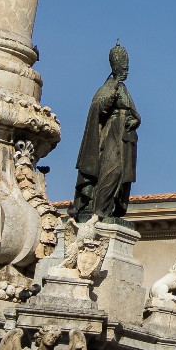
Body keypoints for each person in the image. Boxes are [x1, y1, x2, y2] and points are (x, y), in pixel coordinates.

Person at [73, 44, 139, 222]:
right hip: (111, 134)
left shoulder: (124, 90)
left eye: (127, 65)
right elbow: (99, 106)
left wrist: (135, 120)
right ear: (116, 67)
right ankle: (98, 210)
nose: (126, 69)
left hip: (125, 138)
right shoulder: (109, 86)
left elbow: (133, 112)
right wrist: (114, 87)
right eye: (123, 66)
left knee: (122, 174)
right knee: (112, 170)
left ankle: (109, 209)